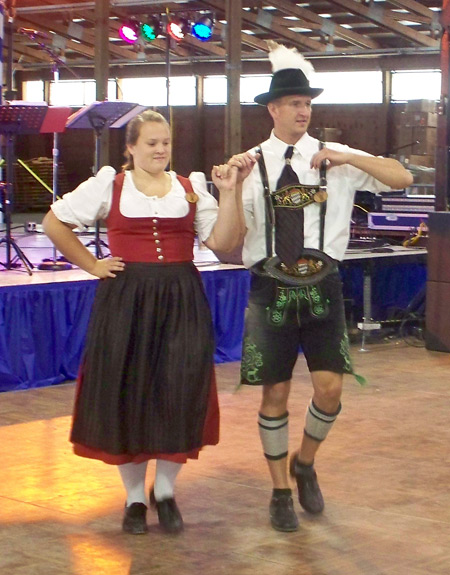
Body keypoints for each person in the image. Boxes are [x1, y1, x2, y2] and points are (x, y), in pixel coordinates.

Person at [42, 109, 256, 535]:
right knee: (130, 389)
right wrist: (93, 265)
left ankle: (166, 492)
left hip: (181, 297)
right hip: (126, 298)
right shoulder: (111, 184)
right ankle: (135, 498)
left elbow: (225, 243)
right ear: (132, 148)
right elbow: (54, 222)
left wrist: (230, 192)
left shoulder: (190, 188)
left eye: (166, 143)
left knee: (179, 388)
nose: (160, 150)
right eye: (152, 143)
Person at [229, 42, 413, 532]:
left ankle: (305, 462)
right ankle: (279, 491)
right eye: (294, 103)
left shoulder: (336, 158)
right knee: (275, 393)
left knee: (330, 389)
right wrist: (228, 186)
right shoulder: (251, 163)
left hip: (323, 284)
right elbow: (229, 236)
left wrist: (348, 156)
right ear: (273, 109)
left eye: (307, 103)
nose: (303, 111)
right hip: (269, 285)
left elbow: (401, 176)